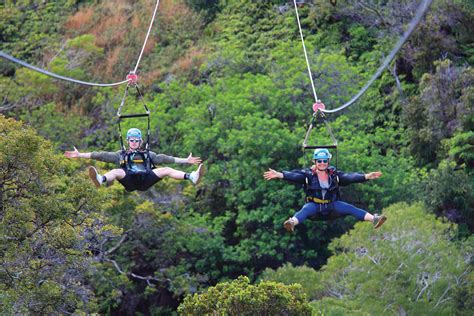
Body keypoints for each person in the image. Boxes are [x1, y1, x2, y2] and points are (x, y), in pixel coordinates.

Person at [263, 148, 386, 232]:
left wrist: (366, 176)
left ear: (328, 161)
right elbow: (294, 176)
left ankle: (374, 219)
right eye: (319, 161)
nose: (322, 163)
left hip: (332, 205)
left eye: (325, 161)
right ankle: (292, 223)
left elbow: (349, 177)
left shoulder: (334, 175)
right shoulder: (308, 175)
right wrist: (280, 175)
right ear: (315, 162)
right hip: (315, 206)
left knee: (350, 208)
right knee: (305, 209)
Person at [64, 128, 205, 192]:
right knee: (116, 171)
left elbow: (166, 159)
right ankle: (101, 179)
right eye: (131, 140)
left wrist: (186, 161)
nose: (133, 142)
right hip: (129, 181)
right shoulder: (121, 154)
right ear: (127, 141)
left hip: (146, 180)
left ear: (141, 141)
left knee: (166, 170)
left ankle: (192, 176)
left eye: (136, 140)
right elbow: (100, 155)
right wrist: (80, 155)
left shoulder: (148, 154)